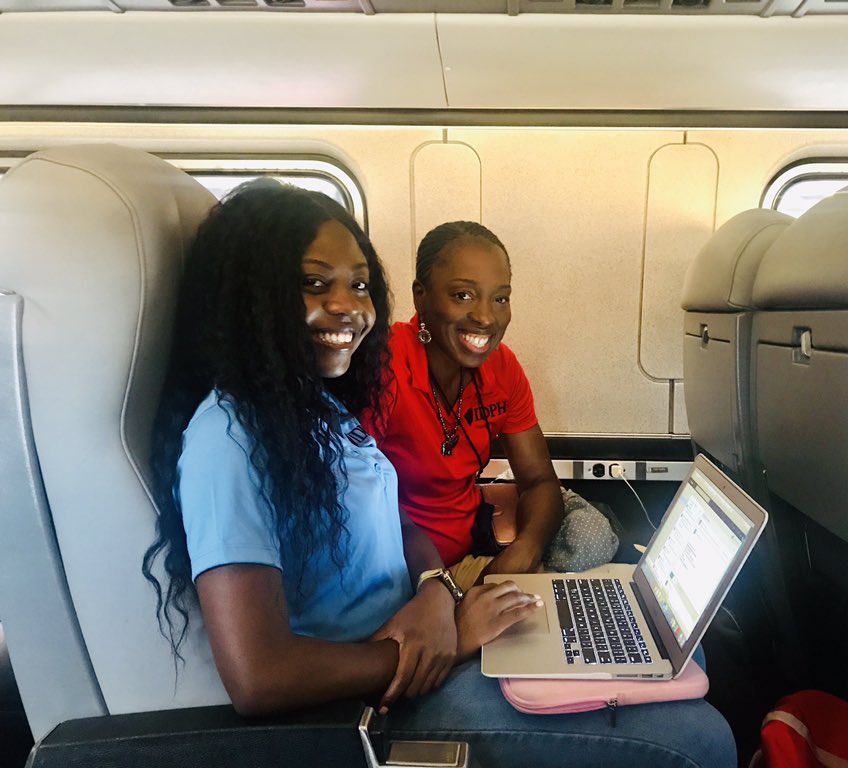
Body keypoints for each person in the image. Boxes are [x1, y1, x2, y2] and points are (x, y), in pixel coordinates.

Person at [142, 181, 736, 767]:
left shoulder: (315, 407)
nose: (348, 305)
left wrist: (436, 590)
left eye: (359, 284)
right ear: (252, 297)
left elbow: (393, 519)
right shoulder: (228, 438)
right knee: (699, 737)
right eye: (314, 283)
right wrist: (441, 641)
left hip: (426, 628)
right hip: (374, 701)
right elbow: (259, 677)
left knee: (684, 659)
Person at [368, 222, 613, 592]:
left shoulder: (502, 368)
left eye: (500, 298)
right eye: (463, 295)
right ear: (421, 297)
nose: (486, 317)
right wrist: (436, 586)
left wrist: (523, 553)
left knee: (594, 539)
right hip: (398, 570)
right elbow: (358, 508)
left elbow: (539, 480)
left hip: (470, 554)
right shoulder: (384, 366)